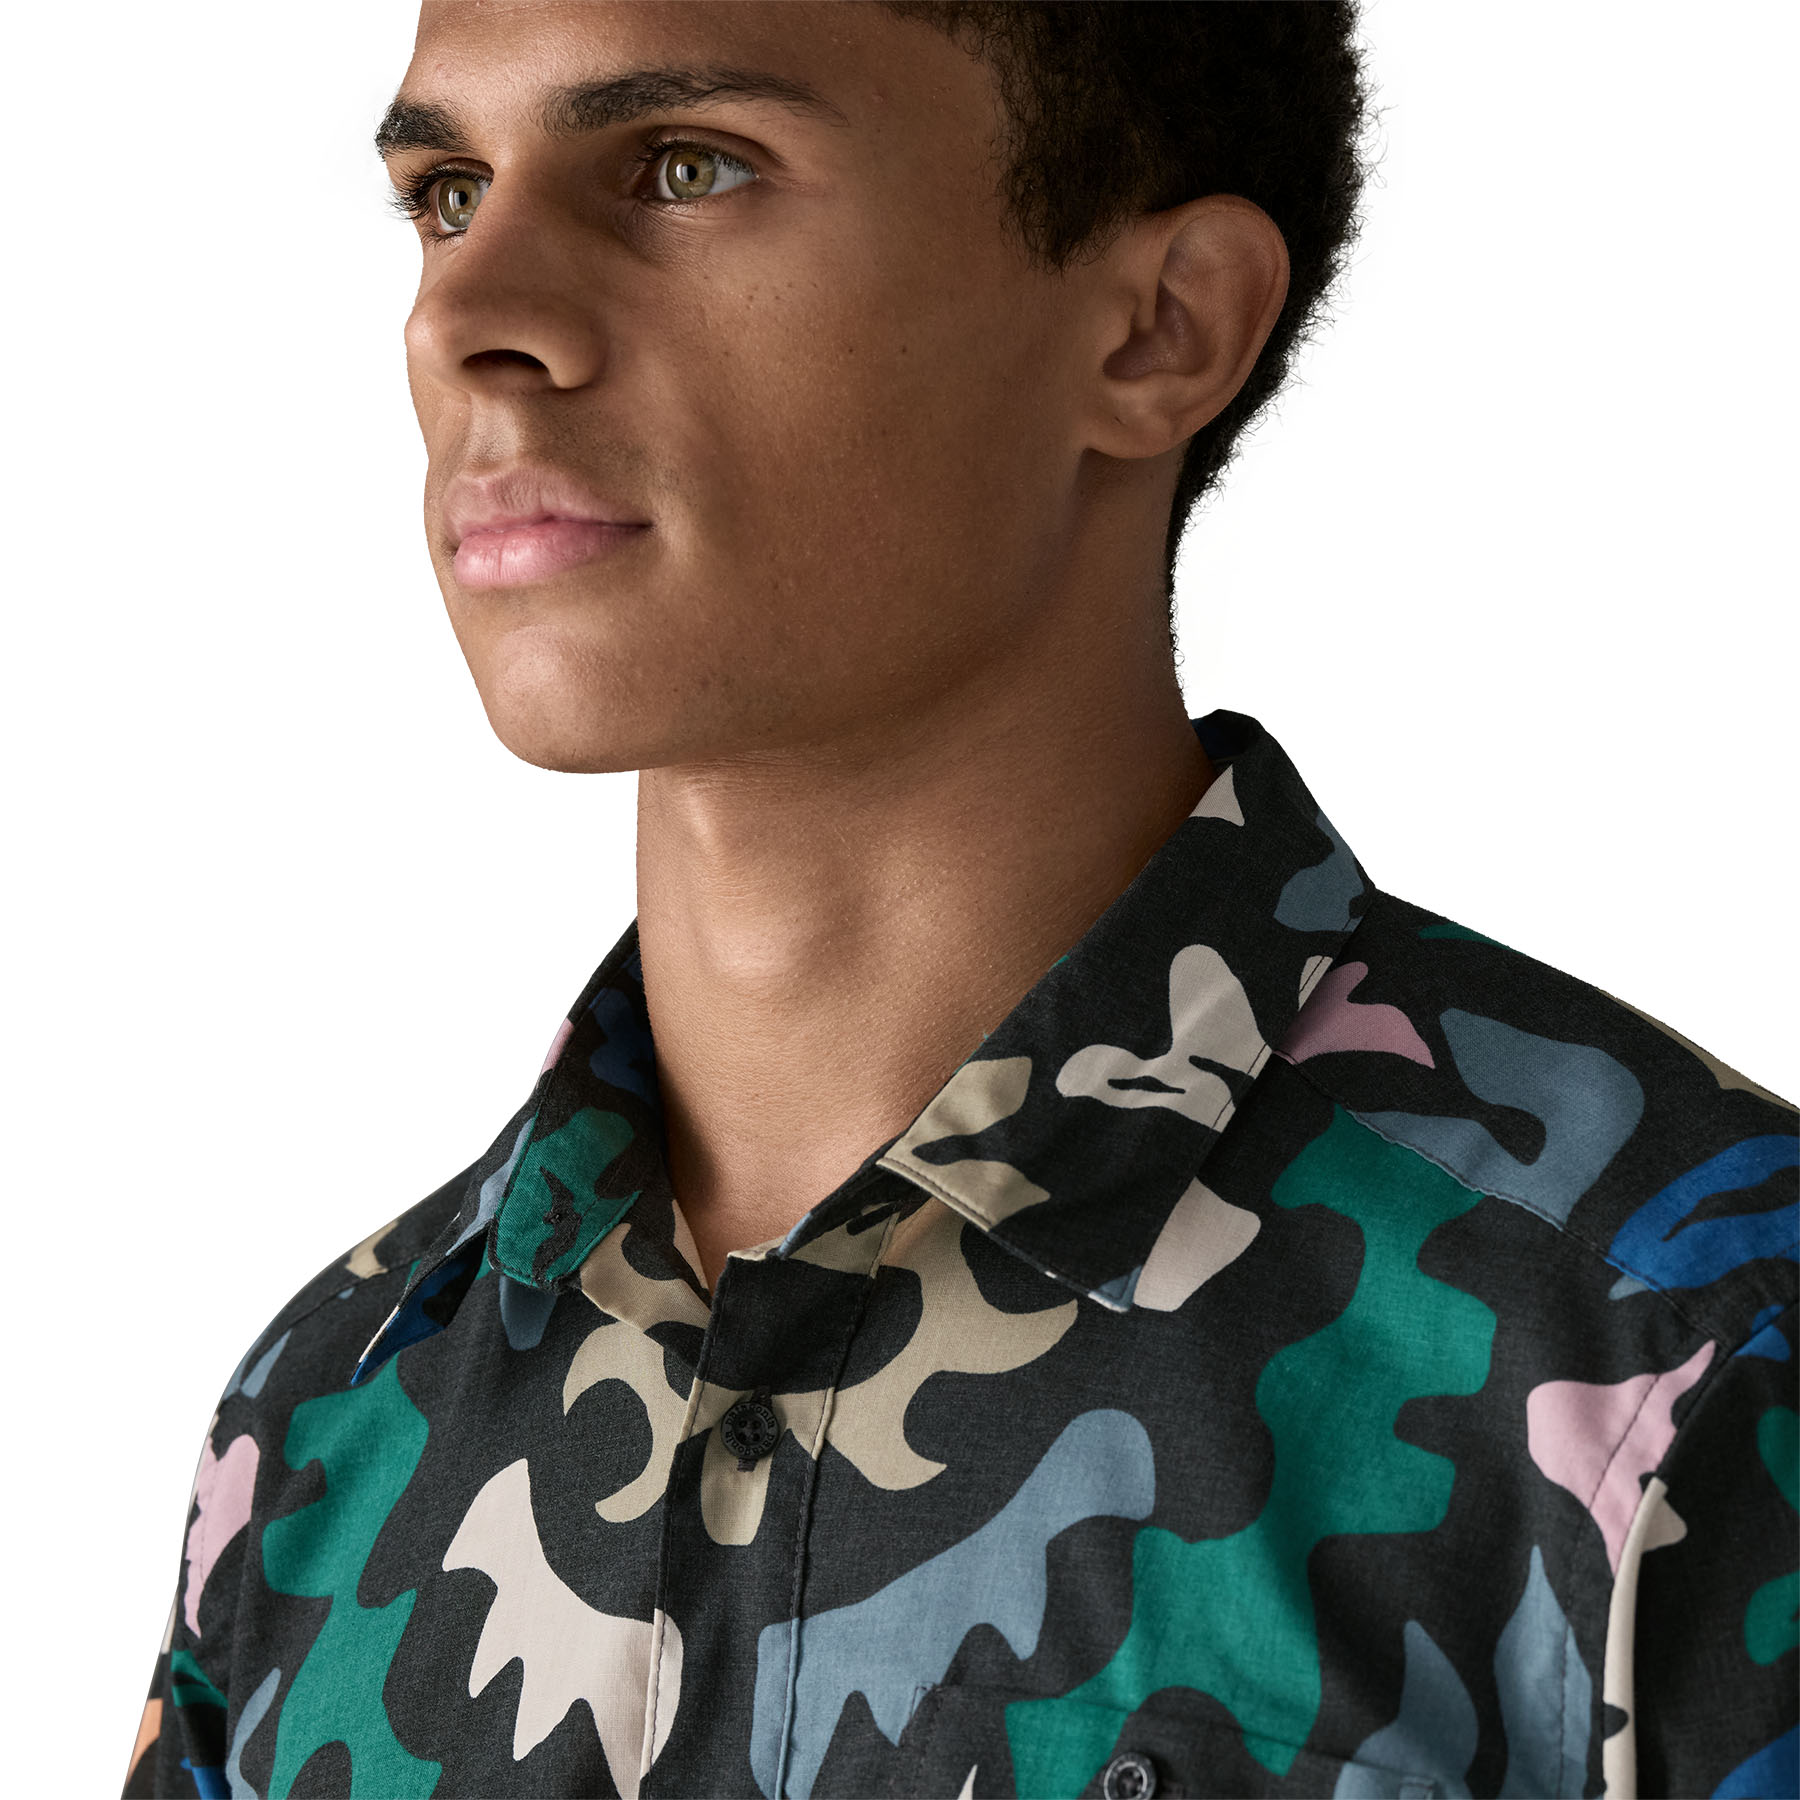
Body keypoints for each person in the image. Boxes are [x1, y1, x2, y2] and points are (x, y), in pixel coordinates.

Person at [125, 4, 1797, 1797]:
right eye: (449, 194)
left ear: (1160, 327)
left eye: (686, 168)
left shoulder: (1685, 1359)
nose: (466, 318)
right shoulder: (326, 1426)